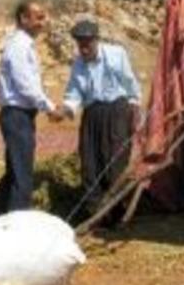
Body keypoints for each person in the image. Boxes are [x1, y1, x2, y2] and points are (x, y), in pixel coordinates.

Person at [0, 0, 61, 219]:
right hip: (17, 115)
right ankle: (18, 226)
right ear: (23, 19)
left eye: (43, 17)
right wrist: (49, 107)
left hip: (20, 115)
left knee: (14, 172)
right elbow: (25, 85)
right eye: (37, 17)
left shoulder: (24, 44)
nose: (42, 22)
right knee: (23, 177)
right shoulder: (19, 46)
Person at [59, 19, 142, 214]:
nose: (84, 49)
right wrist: (66, 109)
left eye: (87, 44)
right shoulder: (79, 63)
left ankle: (117, 211)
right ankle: (94, 212)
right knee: (90, 163)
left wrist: (135, 107)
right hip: (92, 114)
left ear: (97, 40)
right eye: (80, 45)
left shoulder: (116, 55)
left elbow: (130, 83)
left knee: (114, 161)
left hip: (117, 111)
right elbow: (74, 92)